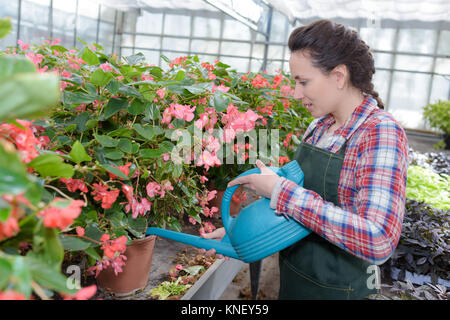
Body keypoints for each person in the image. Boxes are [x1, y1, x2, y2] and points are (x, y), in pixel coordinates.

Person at [200, 19, 409, 300]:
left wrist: (281, 192)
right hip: (296, 281)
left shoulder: (379, 132)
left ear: (338, 76)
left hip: (340, 291)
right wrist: (246, 228)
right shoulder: (320, 126)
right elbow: (300, 208)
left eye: (304, 82)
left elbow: (378, 239)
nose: (297, 94)